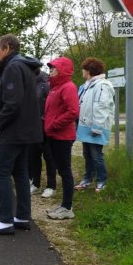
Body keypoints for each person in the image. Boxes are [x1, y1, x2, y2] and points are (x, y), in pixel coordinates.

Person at [0, 34, 43, 236]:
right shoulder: (23, 66)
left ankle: (5, 221)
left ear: (7, 47)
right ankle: (22, 217)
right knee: (20, 172)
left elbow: (12, 103)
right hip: (26, 130)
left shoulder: (14, 67)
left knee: (1, 171)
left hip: (14, 131)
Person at [43, 57, 80, 220]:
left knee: (65, 171)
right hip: (53, 134)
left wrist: (54, 125)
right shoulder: (54, 88)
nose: (50, 71)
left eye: (53, 68)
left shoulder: (68, 87)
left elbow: (73, 112)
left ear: (62, 69)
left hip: (62, 136)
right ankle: (64, 205)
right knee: (61, 170)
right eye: (50, 68)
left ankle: (67, 207)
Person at [75, 57, 115, 192]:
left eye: (84, 69)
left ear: (89, 71)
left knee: (96, 155)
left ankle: (102, 180)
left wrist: (97, 128)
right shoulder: (87, 85)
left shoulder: (102, 85)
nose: (82, 71)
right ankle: (87, 179)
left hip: (96, 127)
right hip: (86, 126)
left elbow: (101, 106)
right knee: (87, 154)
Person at [28, 68, 57, 198]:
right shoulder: (28, 81)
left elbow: (51, 106)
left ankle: (51, 186)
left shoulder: (46, 83)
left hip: (45, 127)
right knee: (33, 156)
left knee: (49, 156)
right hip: (32, 126)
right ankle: (36, 183)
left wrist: (45, 121)